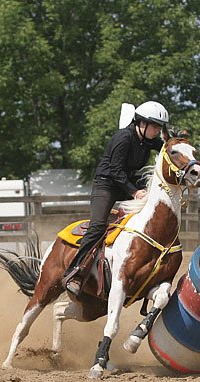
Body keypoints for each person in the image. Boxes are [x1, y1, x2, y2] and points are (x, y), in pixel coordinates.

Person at [62, 101, 169, 296]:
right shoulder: (123, 138)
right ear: (141, 123)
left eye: (159, 127)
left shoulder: (147, 139)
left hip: (125, 182)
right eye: (154, 126)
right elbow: (116, 171)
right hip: (106, 184)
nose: (157, 130)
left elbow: (167, 149)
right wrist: (135, 192)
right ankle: (75, 272)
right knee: (97, 226)